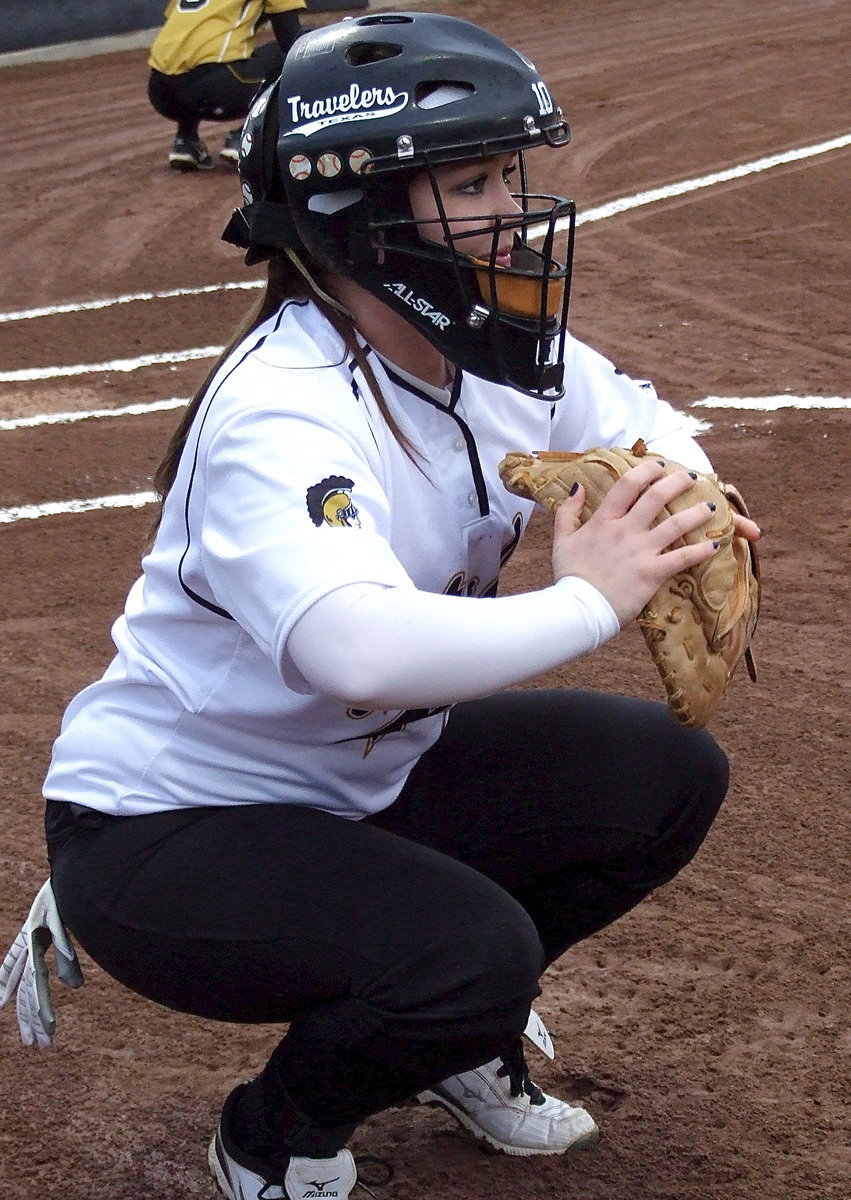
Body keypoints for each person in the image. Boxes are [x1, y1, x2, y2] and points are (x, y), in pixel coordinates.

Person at [5, 13, 761, 1200]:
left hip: (349, 782)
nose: (513, 209)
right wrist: (588, 600)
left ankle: (451, 1041)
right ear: (354, 212)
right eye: (471, 182)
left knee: (663, 775)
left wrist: (683, 496)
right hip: (173, 827)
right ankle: (272, 1137)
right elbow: (353, 650)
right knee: (468, 953)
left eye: (508, 173)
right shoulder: (283, 406)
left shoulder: (489, 349)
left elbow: (646, 423)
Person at [147, 0, 307, 171]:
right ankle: (246, 138)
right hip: (216, 88)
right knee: (290, 56)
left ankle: (186, 140)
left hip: (160, 91)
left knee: (196, 58)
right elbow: (290, 39)